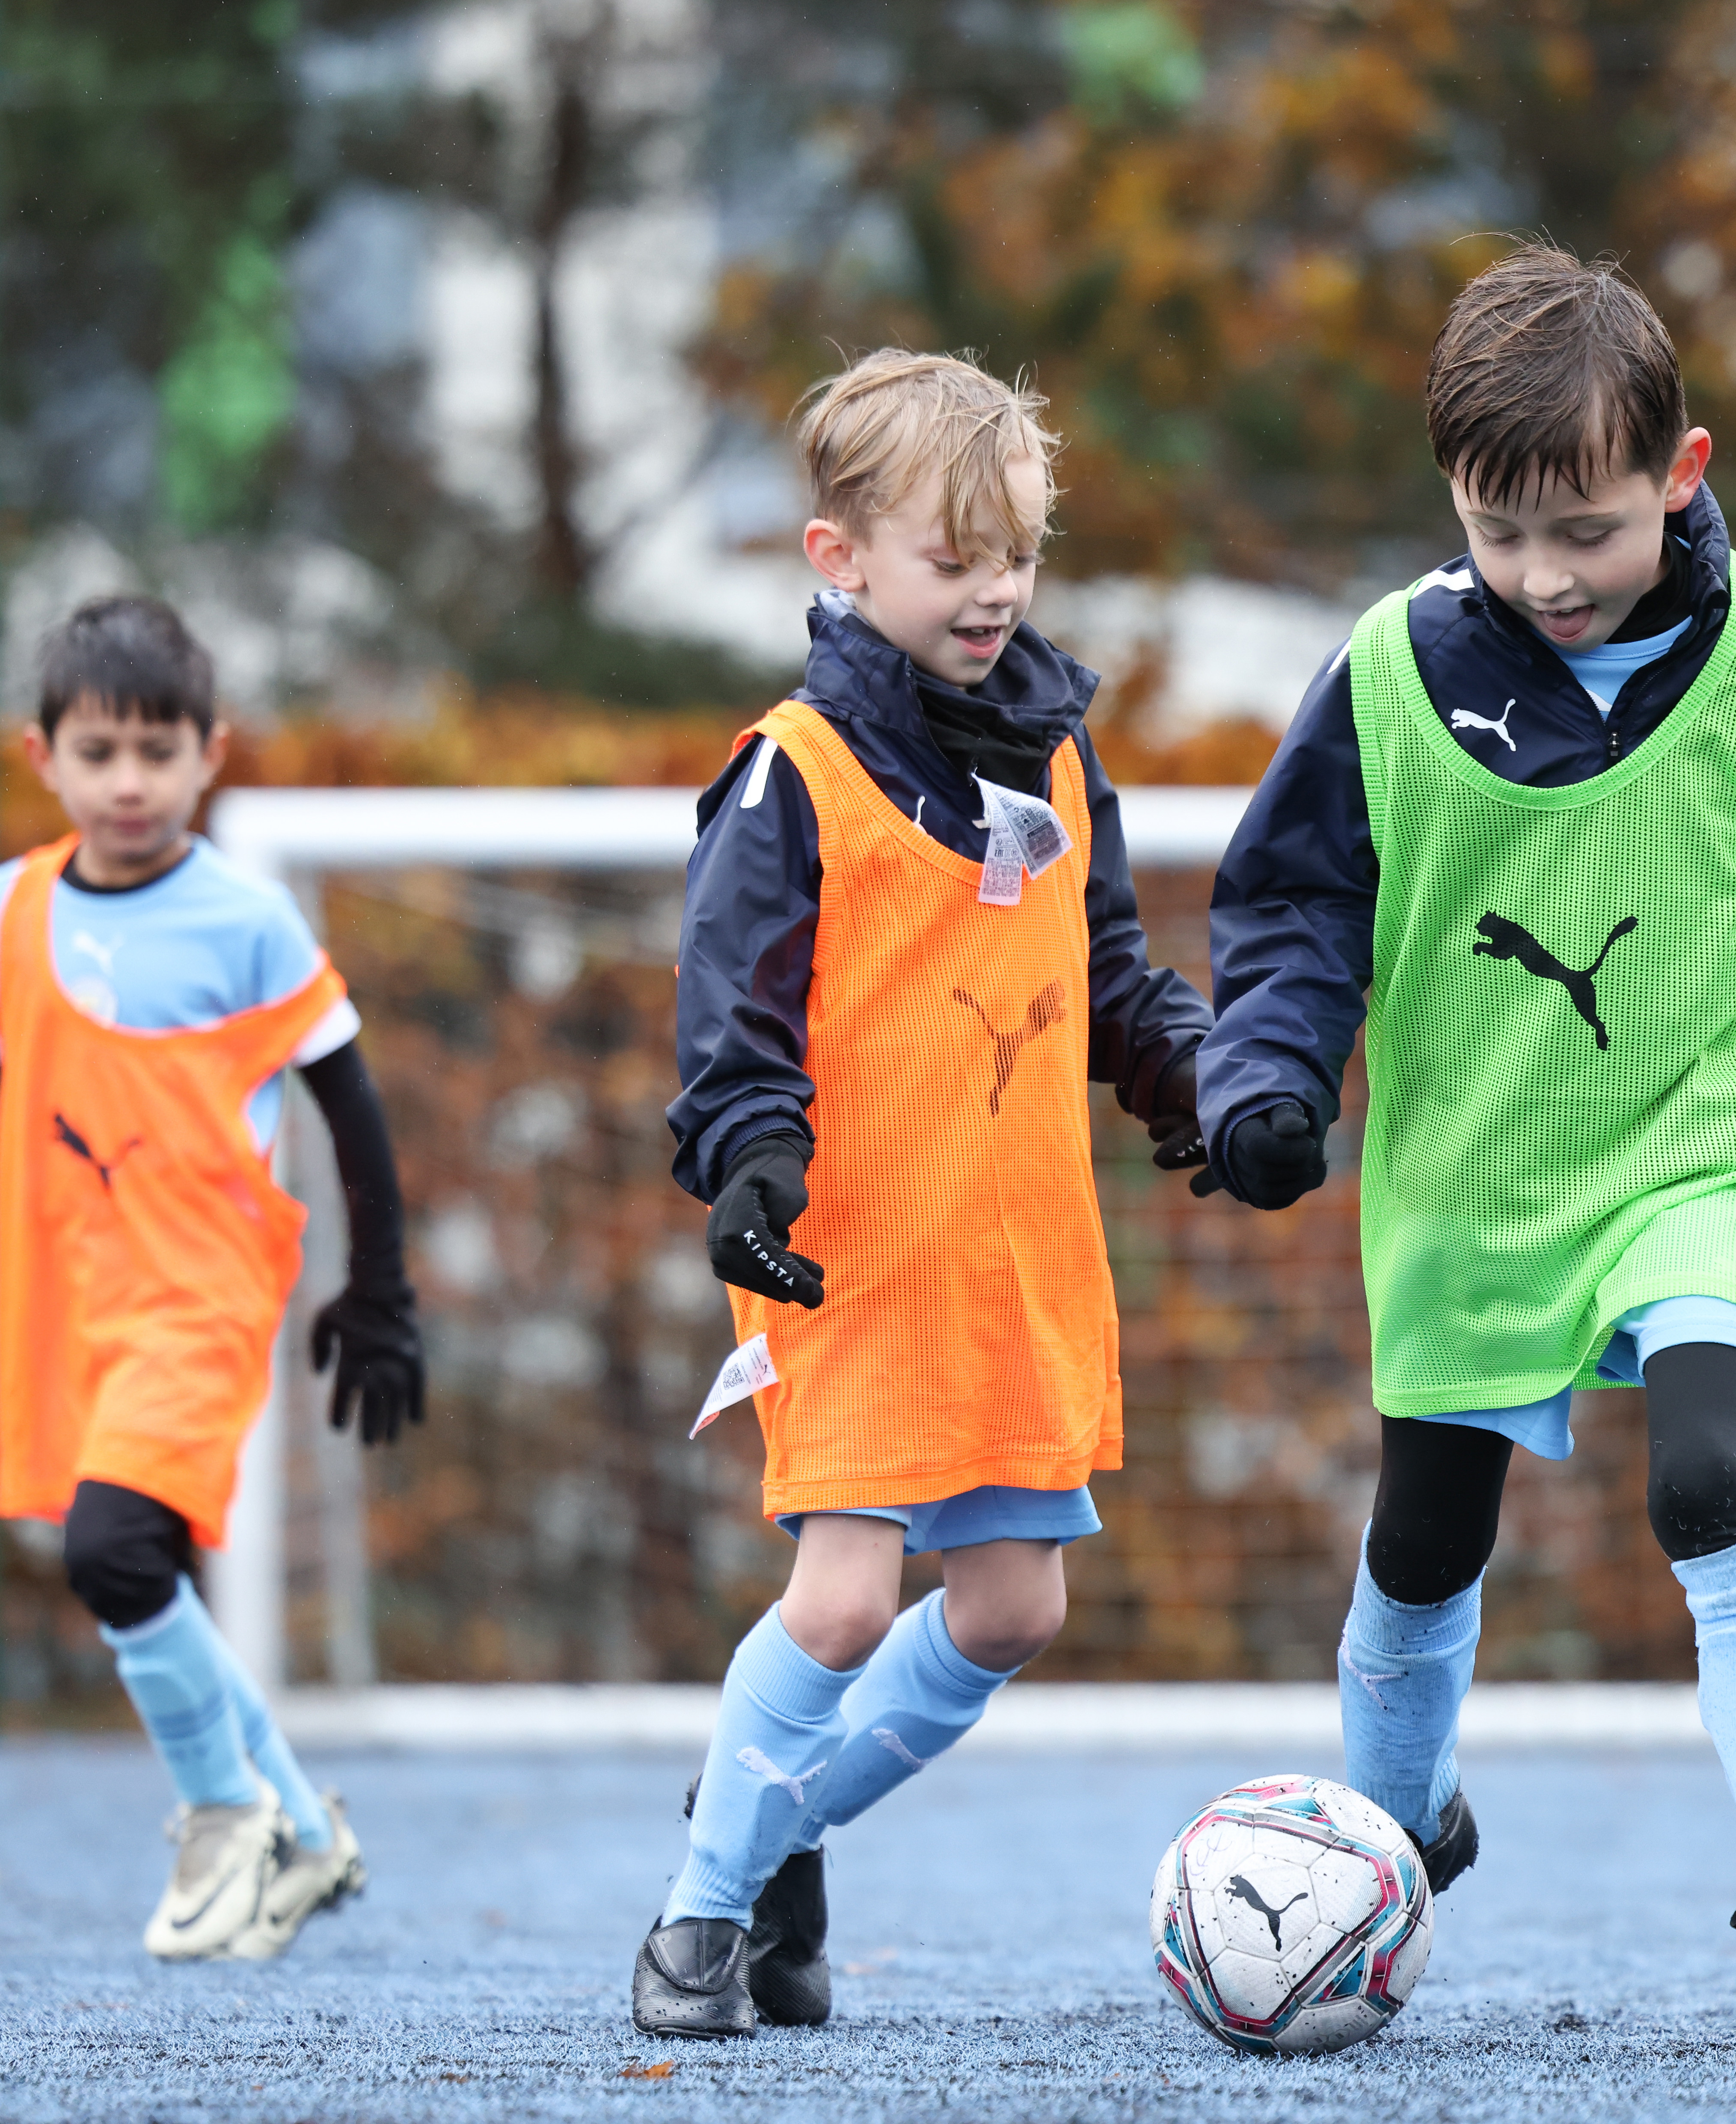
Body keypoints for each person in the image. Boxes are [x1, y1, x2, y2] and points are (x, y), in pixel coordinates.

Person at [1193, 244, 1736, 2059]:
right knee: (1423, 1542)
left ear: (1682, 472)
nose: (1546, 576)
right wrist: (1266, 1074)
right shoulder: (1389, 669)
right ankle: (1393, 1838)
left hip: (1702, 1140)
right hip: (1472, 1169)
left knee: (1705, 1467)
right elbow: (1294, 903)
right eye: (1500, 532)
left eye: (1588, 530)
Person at [637, 349, 1210, 2040]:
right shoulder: (791, 771)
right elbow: (731, 1012)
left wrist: (1211, 1088)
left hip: (1017, 1252)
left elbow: (1110, 980)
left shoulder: (1058, 756)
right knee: (839, 1599)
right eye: (954, 559)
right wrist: (750, 1163)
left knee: (1015, 1606)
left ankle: (765, 1817)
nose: (995, 590)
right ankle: (697, 1915)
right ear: (839, 558)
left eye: (1017, 553)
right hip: (852, 1249)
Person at [0, 595, 423, 1962]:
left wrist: (382, 1289)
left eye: (157, 749)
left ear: (210, 753)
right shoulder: (3, 911)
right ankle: (305, 1829)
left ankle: (224, 1817)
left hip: (203, 1293)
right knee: (143, 1568)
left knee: (113, 1549)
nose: (128, 780)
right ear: (44, 757)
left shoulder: (248, 920)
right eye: (99, 751)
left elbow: (351, 1102)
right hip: (69, 1297)